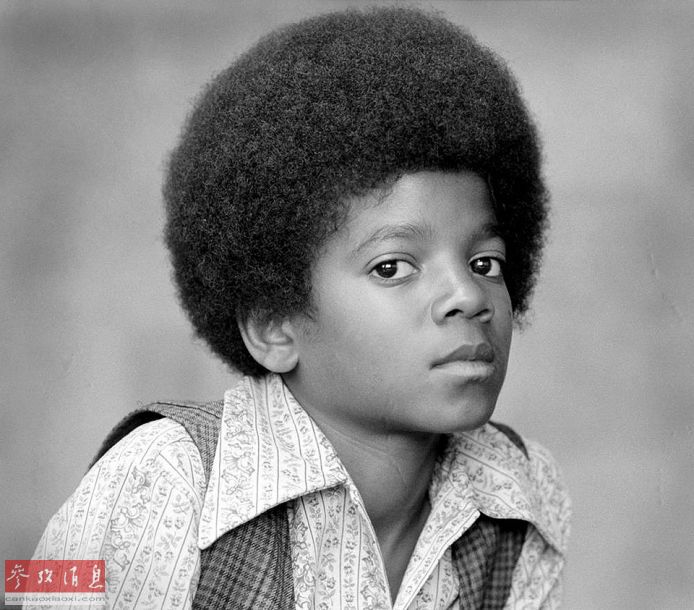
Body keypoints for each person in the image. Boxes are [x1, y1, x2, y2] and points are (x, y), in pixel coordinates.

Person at [30, 7, 571, 609]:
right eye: (392, 267)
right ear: (273, 325)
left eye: (485, 263)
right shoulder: (163, 480)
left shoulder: (519, 491)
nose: (468, 296)